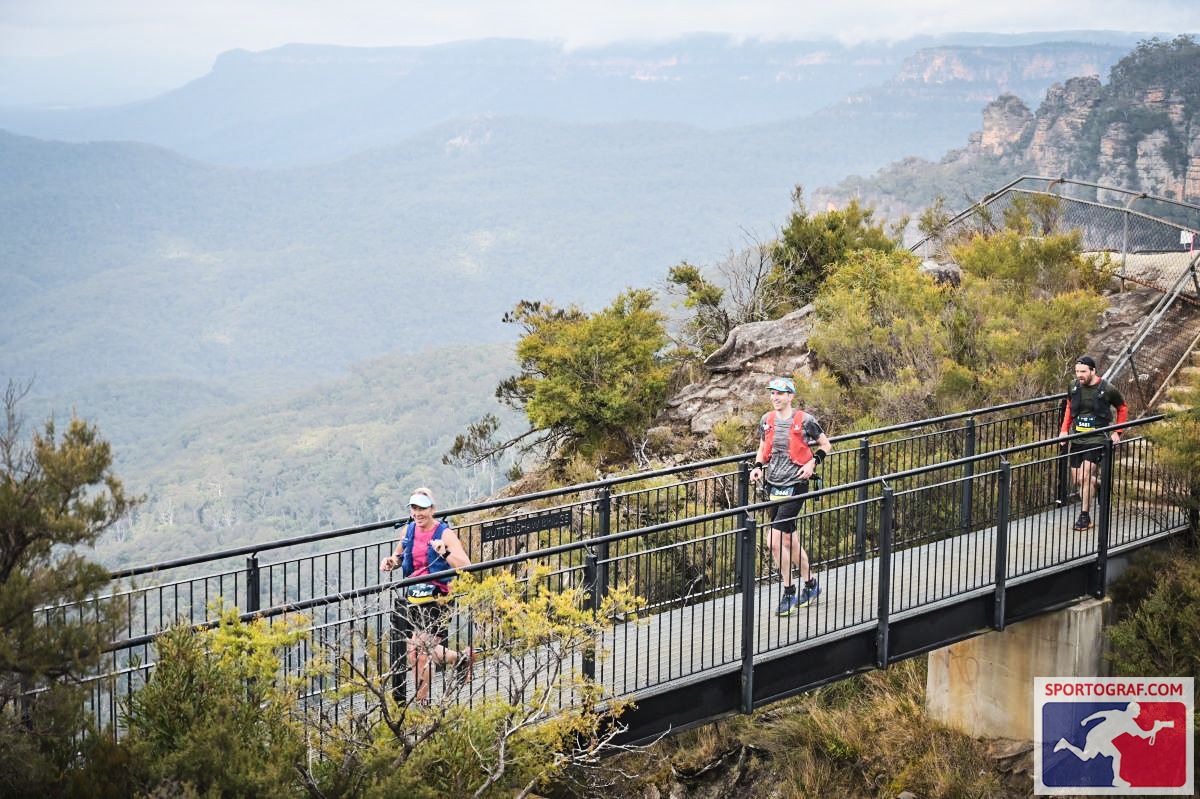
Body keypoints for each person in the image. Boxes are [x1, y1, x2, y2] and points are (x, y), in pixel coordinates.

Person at [380, 487, 473, 703]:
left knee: (420, 652)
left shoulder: (445, 533)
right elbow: (399, 556)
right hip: (413, 597)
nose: (418, 513)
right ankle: (459, 659)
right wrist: (390, 562)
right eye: (414, 508)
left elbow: (466, 566)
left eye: (422, 508)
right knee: (415, 652)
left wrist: (445, 552)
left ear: (432, 509)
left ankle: (423, 705)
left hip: (438, 597)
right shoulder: (409, 531)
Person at [749, 376, 833, 615]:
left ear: (790, 397)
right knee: (789, 539)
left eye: (780, 394)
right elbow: (764, 446)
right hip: (773, 486)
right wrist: (757, 466)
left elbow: (826, 445)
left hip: (796, 485)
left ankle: (789, 592)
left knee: (773, 541)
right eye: (772, 393)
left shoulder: (805, 420)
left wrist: (813, 463)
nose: (775, 397)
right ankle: (811, 584)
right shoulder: (767, 419)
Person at [1058, 356, 1127, 531]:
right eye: (1077, 372)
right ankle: (1100, 484)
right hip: (1078, 437)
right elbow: (1069, 406)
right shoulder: (1073, 386)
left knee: (1085, 476)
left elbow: (1122, 408)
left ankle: (1085, 517)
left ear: (1093, 371)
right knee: (1078, 480)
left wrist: (1117, 432)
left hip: (1097, 438)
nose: (1079, 375)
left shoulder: (1107, 389)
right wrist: (1064, 430)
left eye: (1083, 372)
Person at [1052, 701, 1174, 788]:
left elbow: (1101, 714)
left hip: (1096, 737)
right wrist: (1155, 729)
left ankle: (1065, 744)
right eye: (1137, 712)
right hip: (1097, 738)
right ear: (1131, 710)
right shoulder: (1125, 720)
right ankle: (1117, 779)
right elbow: (1144, 735)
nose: (1138, 714)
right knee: (1117, 755)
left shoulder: (1125, 719)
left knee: (1085, 757)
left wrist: (1087, 720)